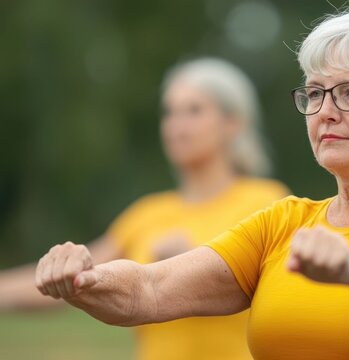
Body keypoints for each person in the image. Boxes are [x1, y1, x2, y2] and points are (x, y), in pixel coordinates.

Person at [34, 9, 349, 360]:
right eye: (315, 93)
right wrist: (84, 281)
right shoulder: (283, 224)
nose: (326, 111)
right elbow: (148, 290)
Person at [0, 57, 289, 360]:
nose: (177, 125)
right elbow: (75, 279)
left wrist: (187, 266)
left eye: (194, 110)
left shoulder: (267, 203)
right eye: (170, 112)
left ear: (233, 123)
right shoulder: (148, 213)